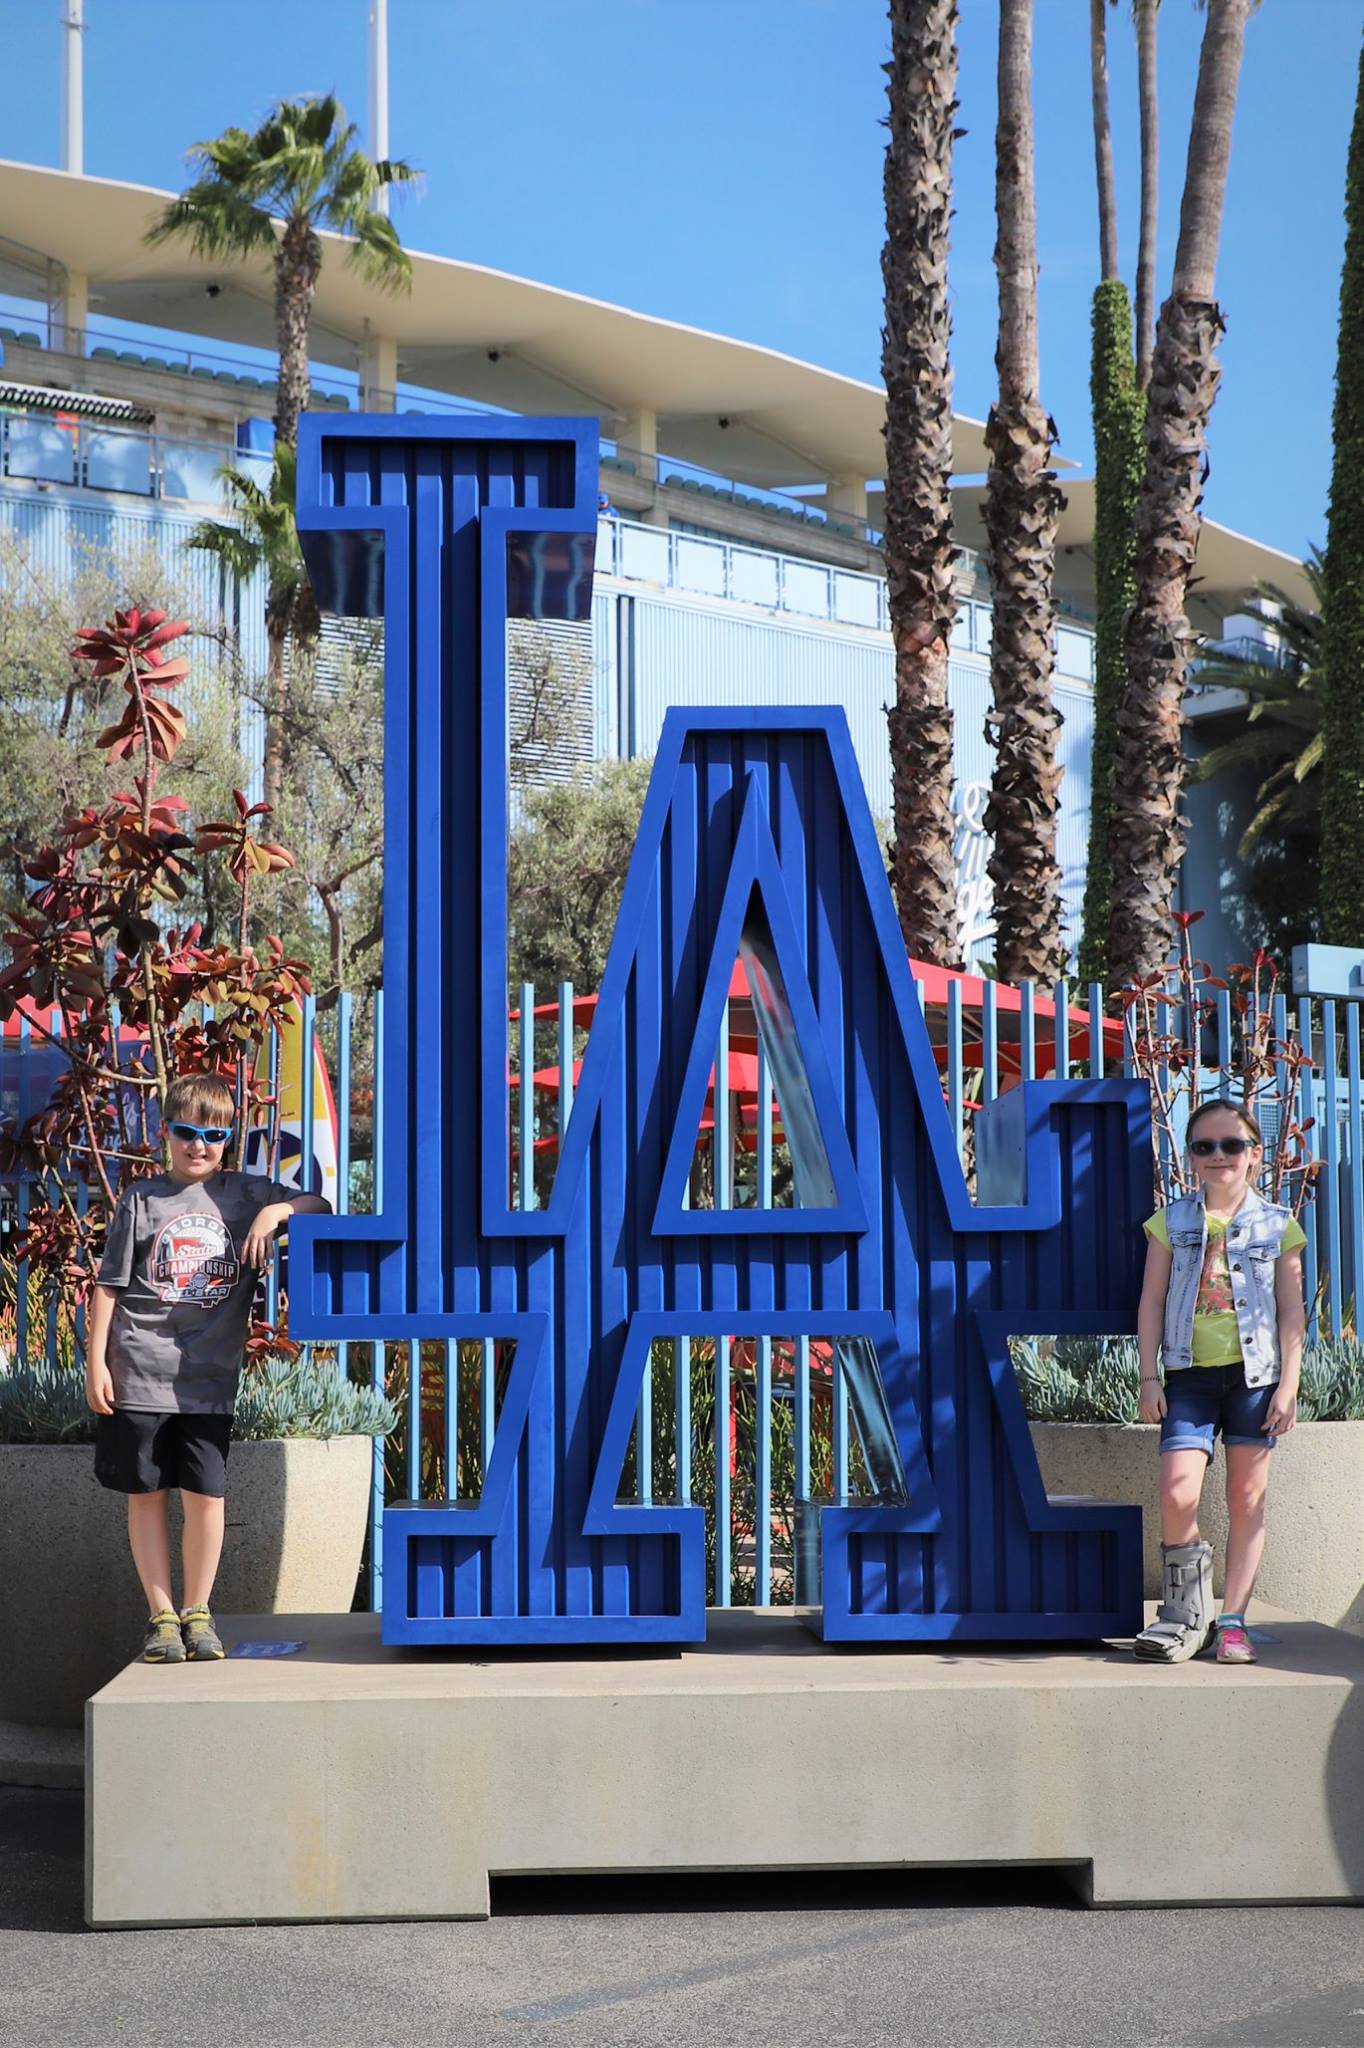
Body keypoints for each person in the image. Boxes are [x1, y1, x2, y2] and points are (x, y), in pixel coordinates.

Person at [84, 1072, 330, 1664]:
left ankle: (198, 1612)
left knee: (205, 1496)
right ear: (165, 1134)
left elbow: (319, 1203)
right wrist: (96, 1364)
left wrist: (275, 1214)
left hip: (209, 1383)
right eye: (186, 1132)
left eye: (214, 1135)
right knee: (147, 1495)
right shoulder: (142, 1199)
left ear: (228, 1139)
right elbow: (109, 1286)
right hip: (138, 1372)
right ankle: (162, 1617)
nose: (199, 1145)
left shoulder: (246, 1195)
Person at [1132, 1098, 1305, 1665]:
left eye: (1231, 1144)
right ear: (1191, 1156)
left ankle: (1232, 1623)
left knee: (1246, 1500)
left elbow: (1291, 1312)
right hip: (1189, 1379)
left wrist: (1288, 1386)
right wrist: (1149, 1376)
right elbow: (1152, 1300)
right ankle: (1187, 1616)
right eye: (1204, 1146)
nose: (1218, 1155)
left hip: (1256, 1381)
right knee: (1177, 1492)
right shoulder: (1171, 1222)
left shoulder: (1278, 1225)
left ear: (1255, 1154)